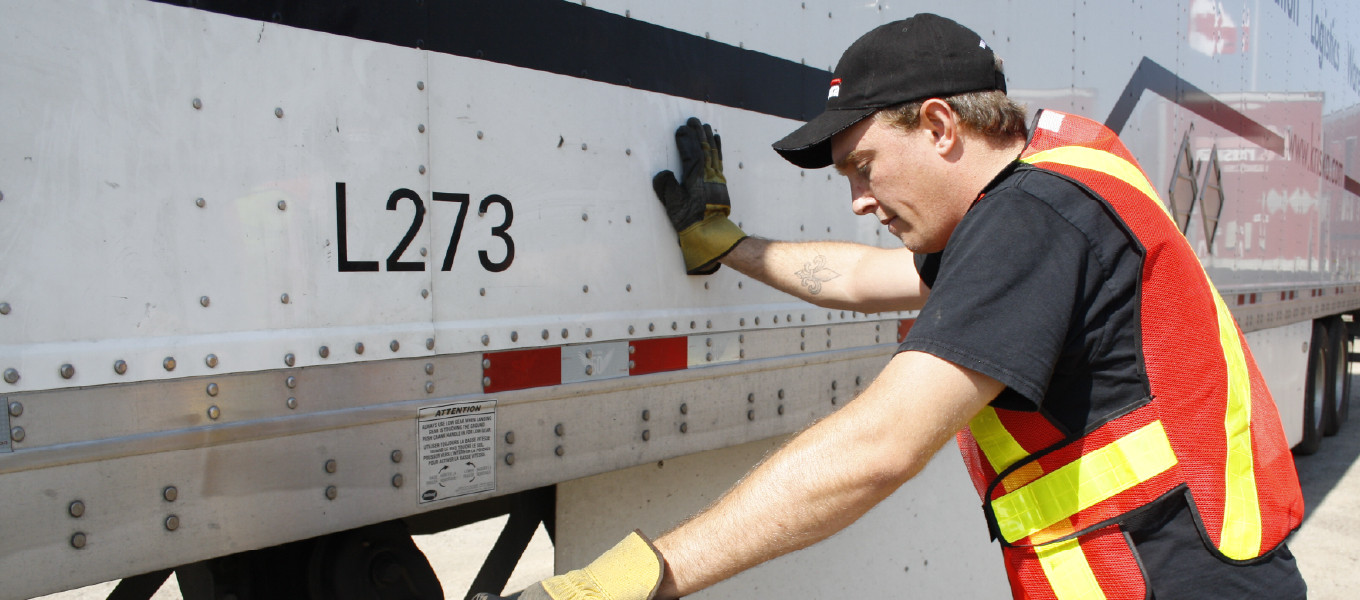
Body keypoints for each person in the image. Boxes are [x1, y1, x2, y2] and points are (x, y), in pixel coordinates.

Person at [505, 13, 1307, 600]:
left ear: (938, 125)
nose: (858, 200)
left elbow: (880, 445)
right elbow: (859, 278)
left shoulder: (1030, 221)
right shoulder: (1055, 192)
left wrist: (630, 581)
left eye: (863, 166)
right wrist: (726, 245)